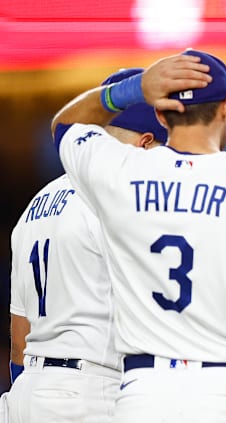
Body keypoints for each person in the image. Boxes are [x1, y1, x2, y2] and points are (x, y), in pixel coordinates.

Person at [49, 50, 226, 423]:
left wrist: (132, 89)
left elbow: (65, 125)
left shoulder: (120, 172)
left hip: (143, 395)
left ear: (161, 113)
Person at [7, 67, 166, 423]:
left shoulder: (38, 201)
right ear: (145, 142)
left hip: (26, 391)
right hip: (87, 394)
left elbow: (20, 338)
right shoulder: (117, 195)